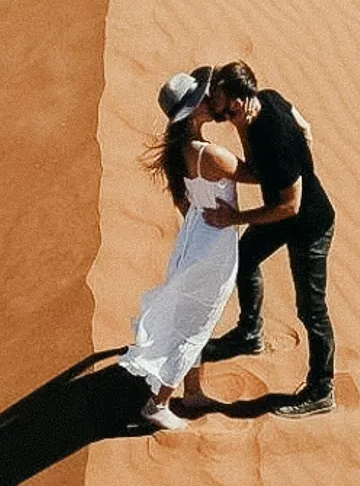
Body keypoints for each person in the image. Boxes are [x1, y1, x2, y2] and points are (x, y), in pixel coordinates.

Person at [199, 60, 337, 417]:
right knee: (244, 261)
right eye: (220, 110)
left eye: (228, 108)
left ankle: (322, 389)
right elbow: (304, 124)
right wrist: (302, 153)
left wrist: (237, 217)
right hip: (281, 216)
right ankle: (250, 333)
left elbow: (290, 206)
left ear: (244, 99)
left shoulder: (274, 137)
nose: (224, 115)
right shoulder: (268, 101)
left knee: (311, 310)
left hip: (308, 226)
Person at [120, 69, 243, 431]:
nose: (211, 102)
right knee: (195, 322)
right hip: (212, 248)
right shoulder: (212, 155)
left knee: (192, 317)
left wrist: (201, 224)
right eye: (203, 100)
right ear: (191, 113)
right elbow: (261, 174)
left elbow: (183, 201)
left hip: (194, 238)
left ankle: (192, 391)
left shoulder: (182, 151)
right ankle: (158, 403)